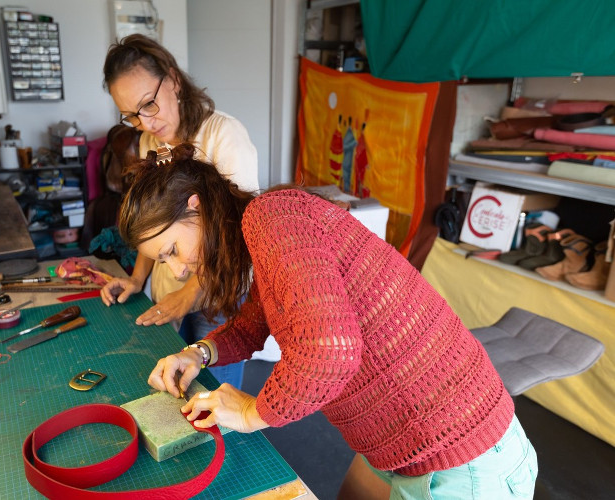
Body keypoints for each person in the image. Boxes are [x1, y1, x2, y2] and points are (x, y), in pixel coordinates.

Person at [118, 143, 539, 500]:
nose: (175, 271)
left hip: (460, 455)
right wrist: (199, 353)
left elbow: (330, 352)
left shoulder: (270, 219)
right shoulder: (262, 233)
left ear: (196, 206)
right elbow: (252, 325)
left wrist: (253, 412)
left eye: (171, 249)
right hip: (407, 446)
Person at [99, 34, 259, 388]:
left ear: (173, 81)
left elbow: (237, 242)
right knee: (172, 395)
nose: (145, 123)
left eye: (149, 105)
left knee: (218, 401)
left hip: (216, 297)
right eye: (131, 116)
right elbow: (149, 227)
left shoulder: (223, 136)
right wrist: (137, 279)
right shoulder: (147, 143)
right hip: (169, 292)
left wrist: (185, 299)